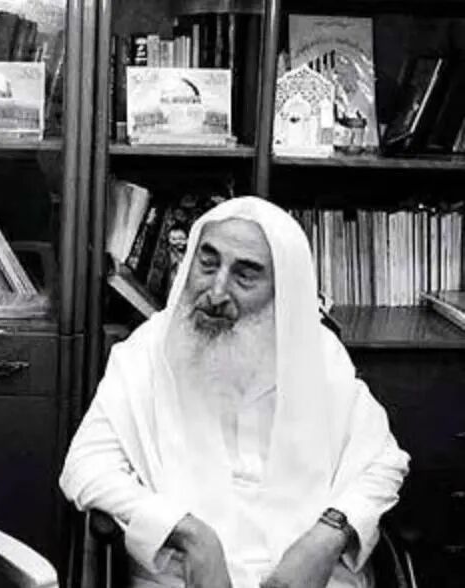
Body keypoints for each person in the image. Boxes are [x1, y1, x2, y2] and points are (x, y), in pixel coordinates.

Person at [59, 197, 409, 588]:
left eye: (245, 275)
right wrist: (190, 534)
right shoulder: (147, 352)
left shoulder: (319, 355)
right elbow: (86, 468)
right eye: (207, 264)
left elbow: (383, 463)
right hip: (182, 576)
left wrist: (326, 538)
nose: (216, 291)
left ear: (282, 290)